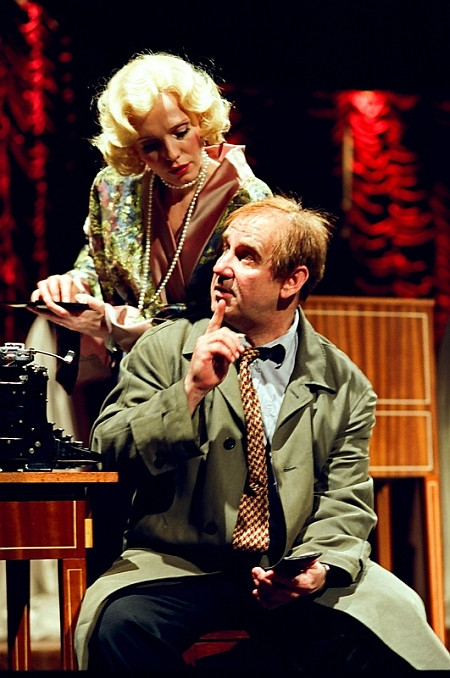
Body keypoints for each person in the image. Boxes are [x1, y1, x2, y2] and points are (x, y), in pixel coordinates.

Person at [74, 196, 450, 675]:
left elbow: (345, 500)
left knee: (387, 634)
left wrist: (318, 569)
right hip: (178, 565)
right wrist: (189, 392)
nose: (222, 268)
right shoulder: (165, 347)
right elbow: (106, 450)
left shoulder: (345, 383)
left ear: (292, 281)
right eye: (225, 250)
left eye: (246, 256)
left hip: (287, 566)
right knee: (120, 627)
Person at [26, 51, 271, 441]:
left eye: (180, 132)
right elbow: (98, 265)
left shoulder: (243, 196)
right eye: (151, 145)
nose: (172, 155)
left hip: (211, 382)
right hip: (129, 385)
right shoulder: (114, 188)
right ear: (131, 148)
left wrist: (117, 324)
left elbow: (257, 312)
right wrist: (72, 284)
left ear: (201, 120)